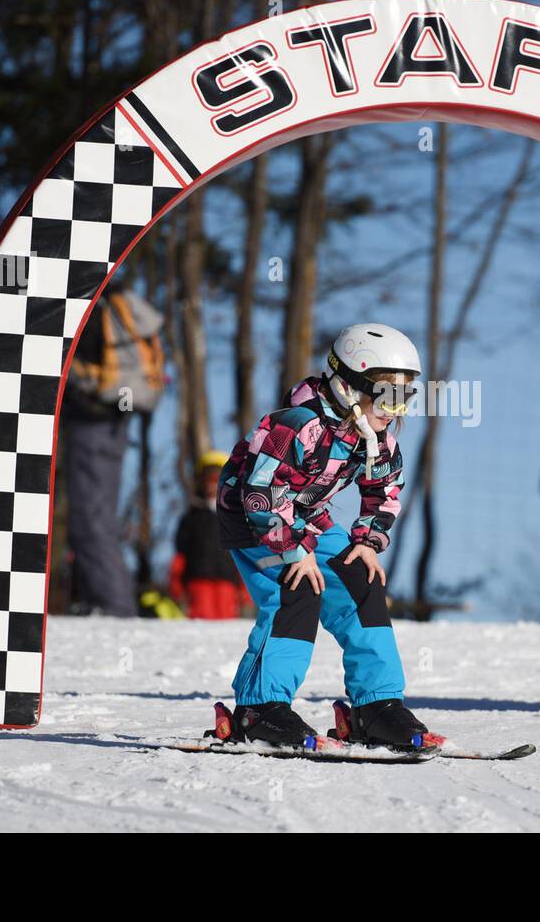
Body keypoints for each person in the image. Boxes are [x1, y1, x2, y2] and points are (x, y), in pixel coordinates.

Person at [217, 323, 434, 749]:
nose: (396, 409)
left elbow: (385, 489)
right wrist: (293, 549)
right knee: (297, 589)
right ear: (350, 386)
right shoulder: (297, 425)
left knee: (361, 581)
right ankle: (259, 710)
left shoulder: (375, 437)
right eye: (388, 394)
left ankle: (376, 706)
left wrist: (366, 542)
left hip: (308, 518)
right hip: (253, 519)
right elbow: (260, 492)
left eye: (406, 397)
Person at [62, 288, 166, 618]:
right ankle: (106, 602)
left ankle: (113, 606)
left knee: (91, 520)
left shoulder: (87, 308)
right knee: (98, 518)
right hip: (112, 424)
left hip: (92, 422)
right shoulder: (115, 306)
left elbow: (79, 367)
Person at [168, 449, 247, 620]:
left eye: (217, 479)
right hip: (198, 583)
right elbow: (180, 554)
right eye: (207, 480)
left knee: (225, 631)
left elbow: (243, 554)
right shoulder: (191, 518)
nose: (211, 485)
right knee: (201, 627)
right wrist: (176, 583)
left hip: (227, 586)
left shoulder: (237, 518)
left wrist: (245, 586)